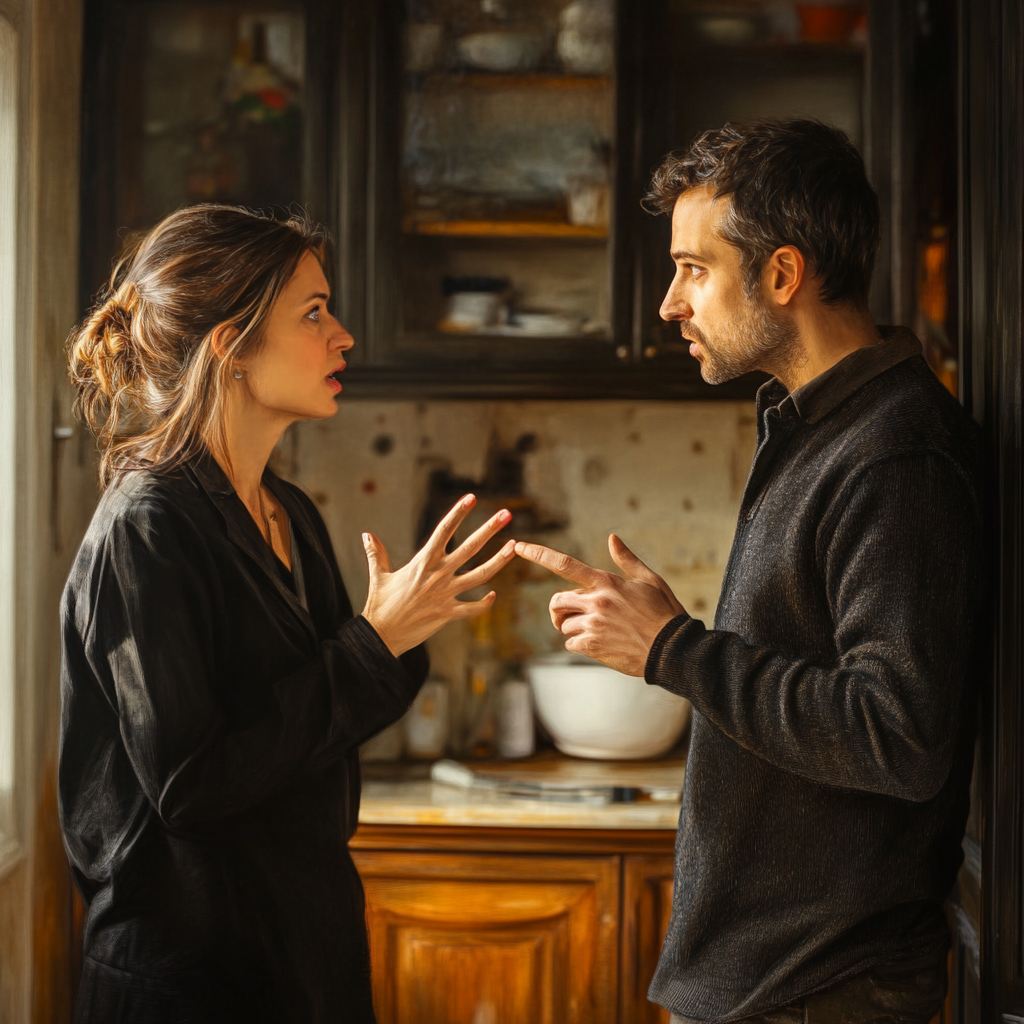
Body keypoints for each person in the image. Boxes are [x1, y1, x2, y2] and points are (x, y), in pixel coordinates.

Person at [515, 120, 983, 1023]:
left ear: (781, 274)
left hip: (817, 991)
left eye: (694, 268)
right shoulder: (822, 428)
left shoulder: (895, 454)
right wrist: (672, 641)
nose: (667, 303)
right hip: (773, 984)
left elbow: (899, 735)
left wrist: (674, 649)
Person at [59, 204, 515, 1024]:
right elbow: (191, 786)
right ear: (232, 347)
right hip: (191, 983)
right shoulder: (146, 528)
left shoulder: (289, 513)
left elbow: (329, 713)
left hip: (304, 957)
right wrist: (371, 644)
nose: (343, 335)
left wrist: (396, 635)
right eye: (313, 313)